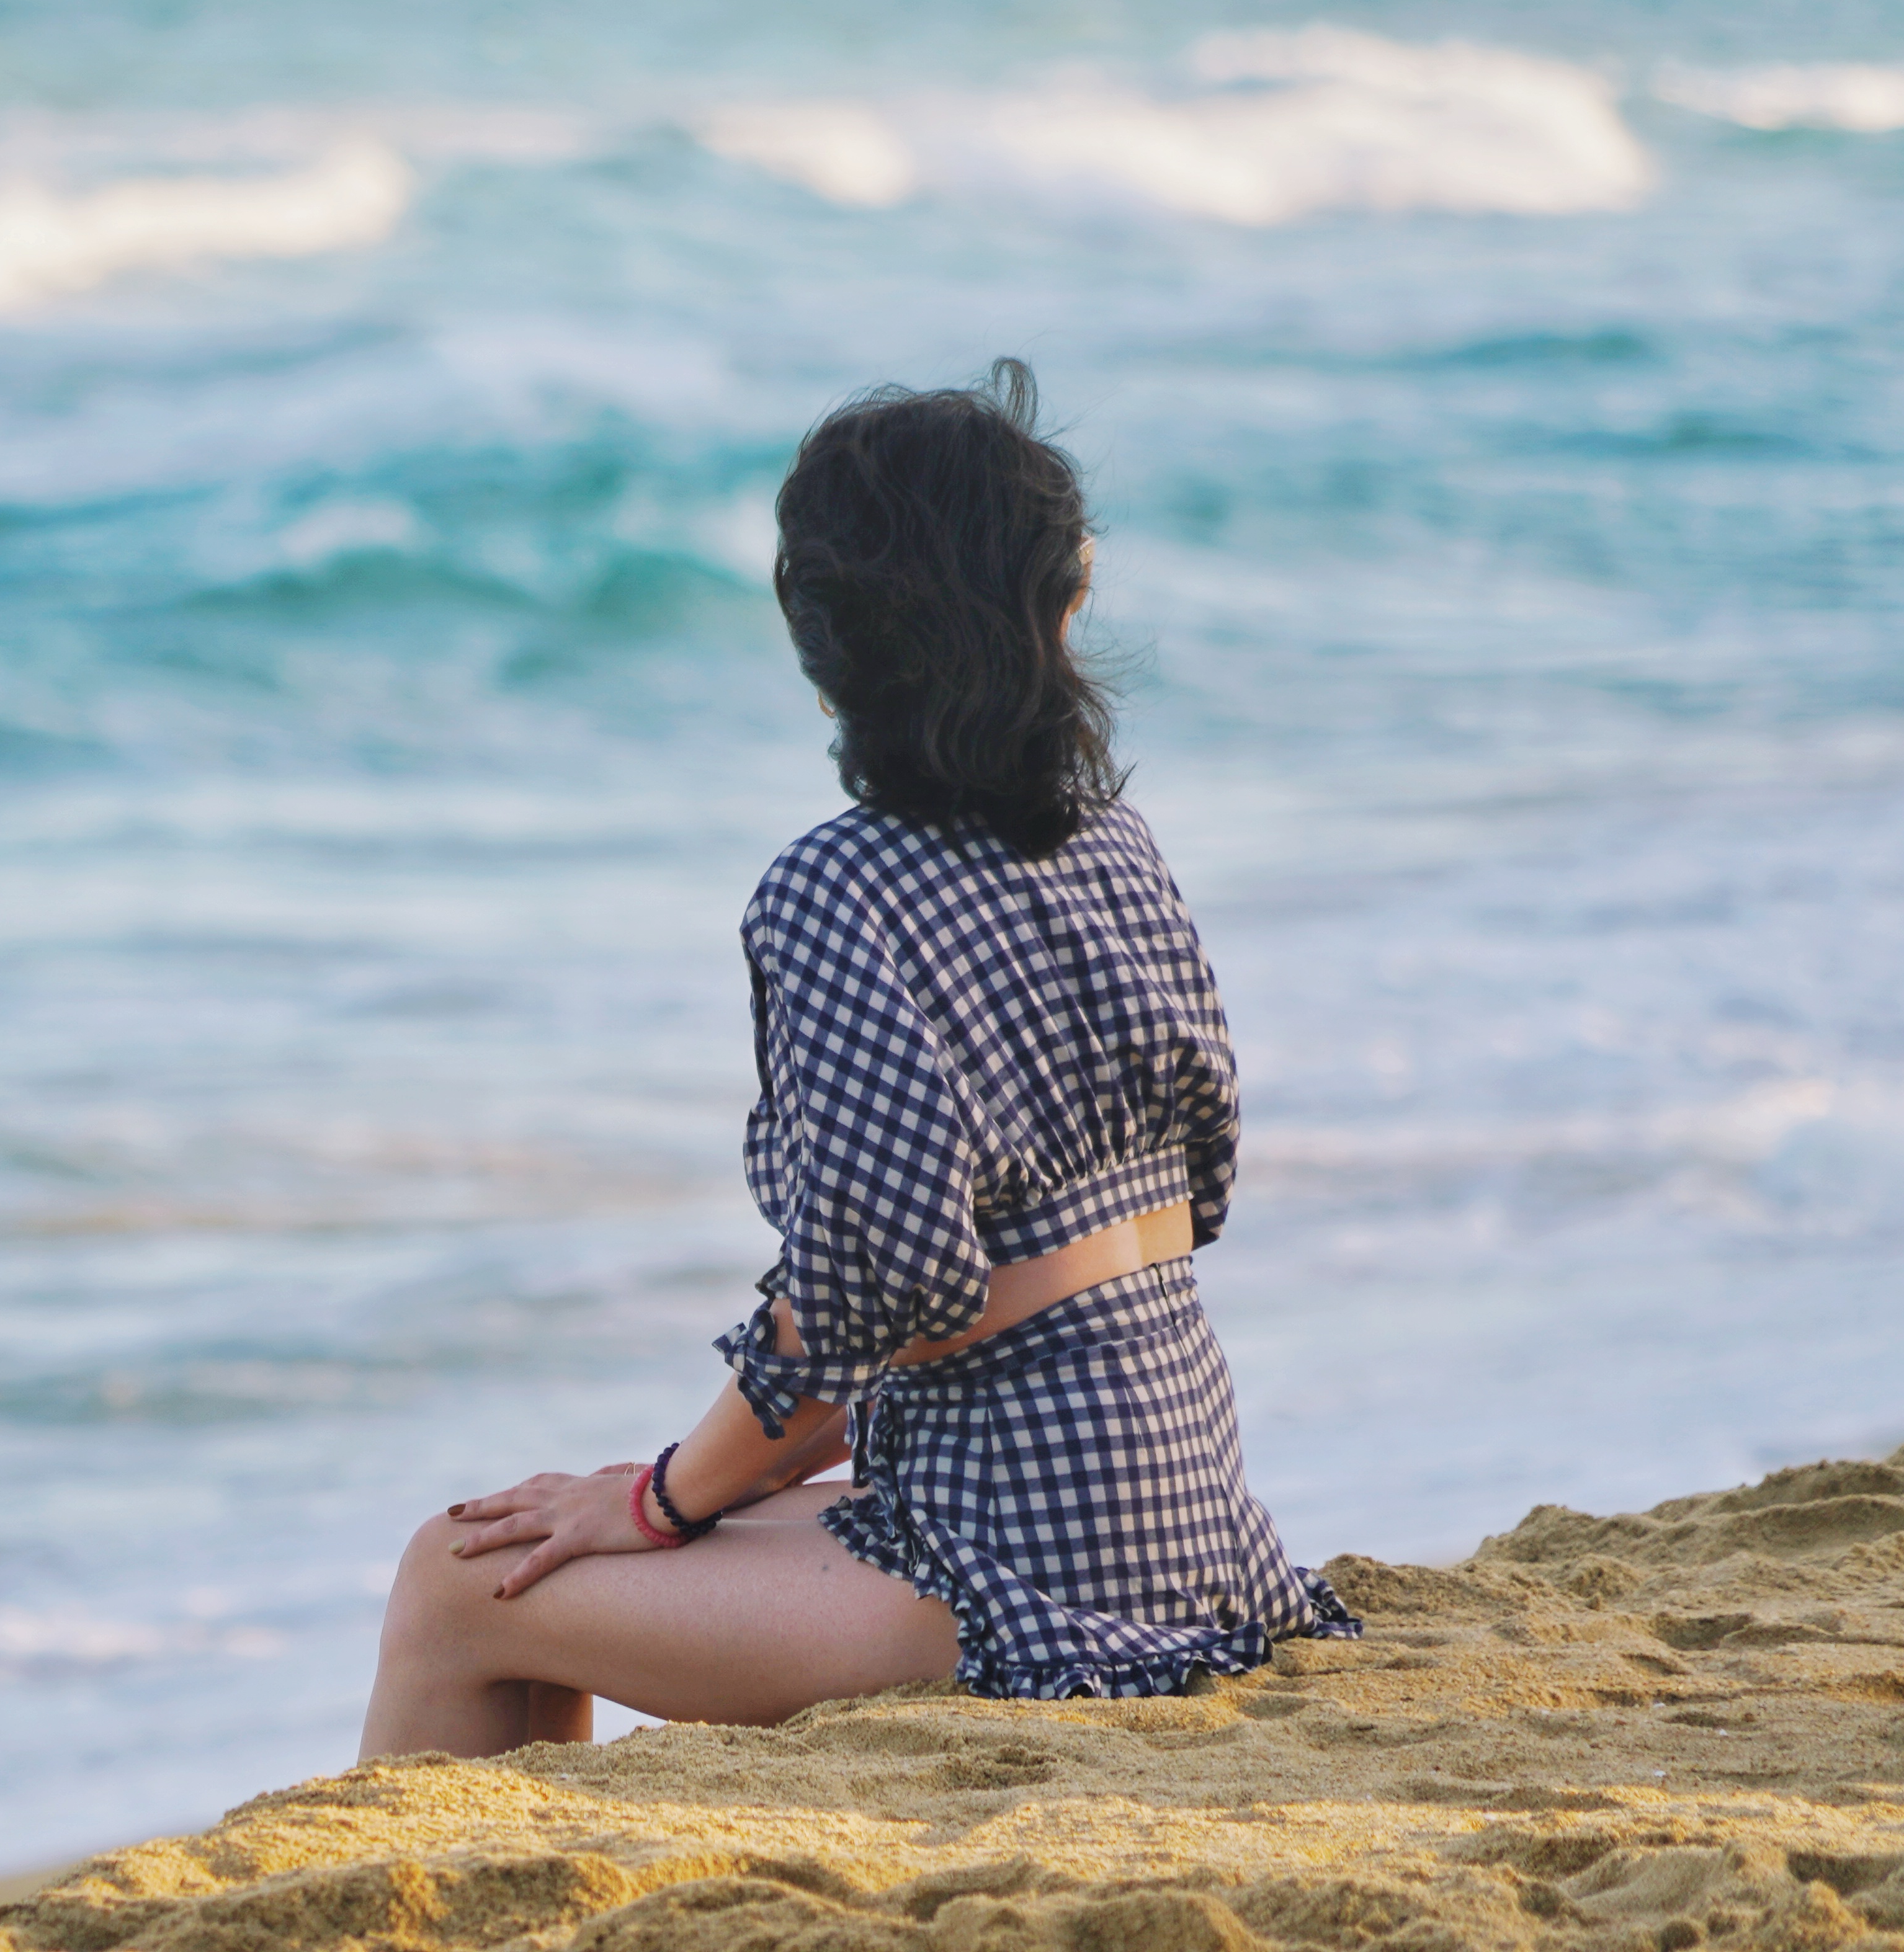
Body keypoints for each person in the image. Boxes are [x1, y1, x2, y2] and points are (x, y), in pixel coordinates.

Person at [357, 362, 1355, 1760]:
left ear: (826, 644)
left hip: (1018, 1563)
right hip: (1189, 1518)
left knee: (460, 1578)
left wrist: (654, 1498)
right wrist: (689, 1486)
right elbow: (1173, 1208)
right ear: (1060, 609)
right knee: (567, 1548)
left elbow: (864, 1311)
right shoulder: (1118, 849)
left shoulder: (839, 892)